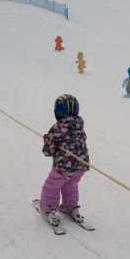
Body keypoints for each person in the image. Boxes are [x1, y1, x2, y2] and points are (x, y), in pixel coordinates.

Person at [39, 94, 90, 226]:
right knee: (71, 185)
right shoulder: (80, 127)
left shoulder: (57, 128)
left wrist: (47, 141)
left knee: (51, 187)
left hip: (63, 167)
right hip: (80, 166)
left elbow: (47, 151)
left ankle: (48, 209)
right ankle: (71, 207)